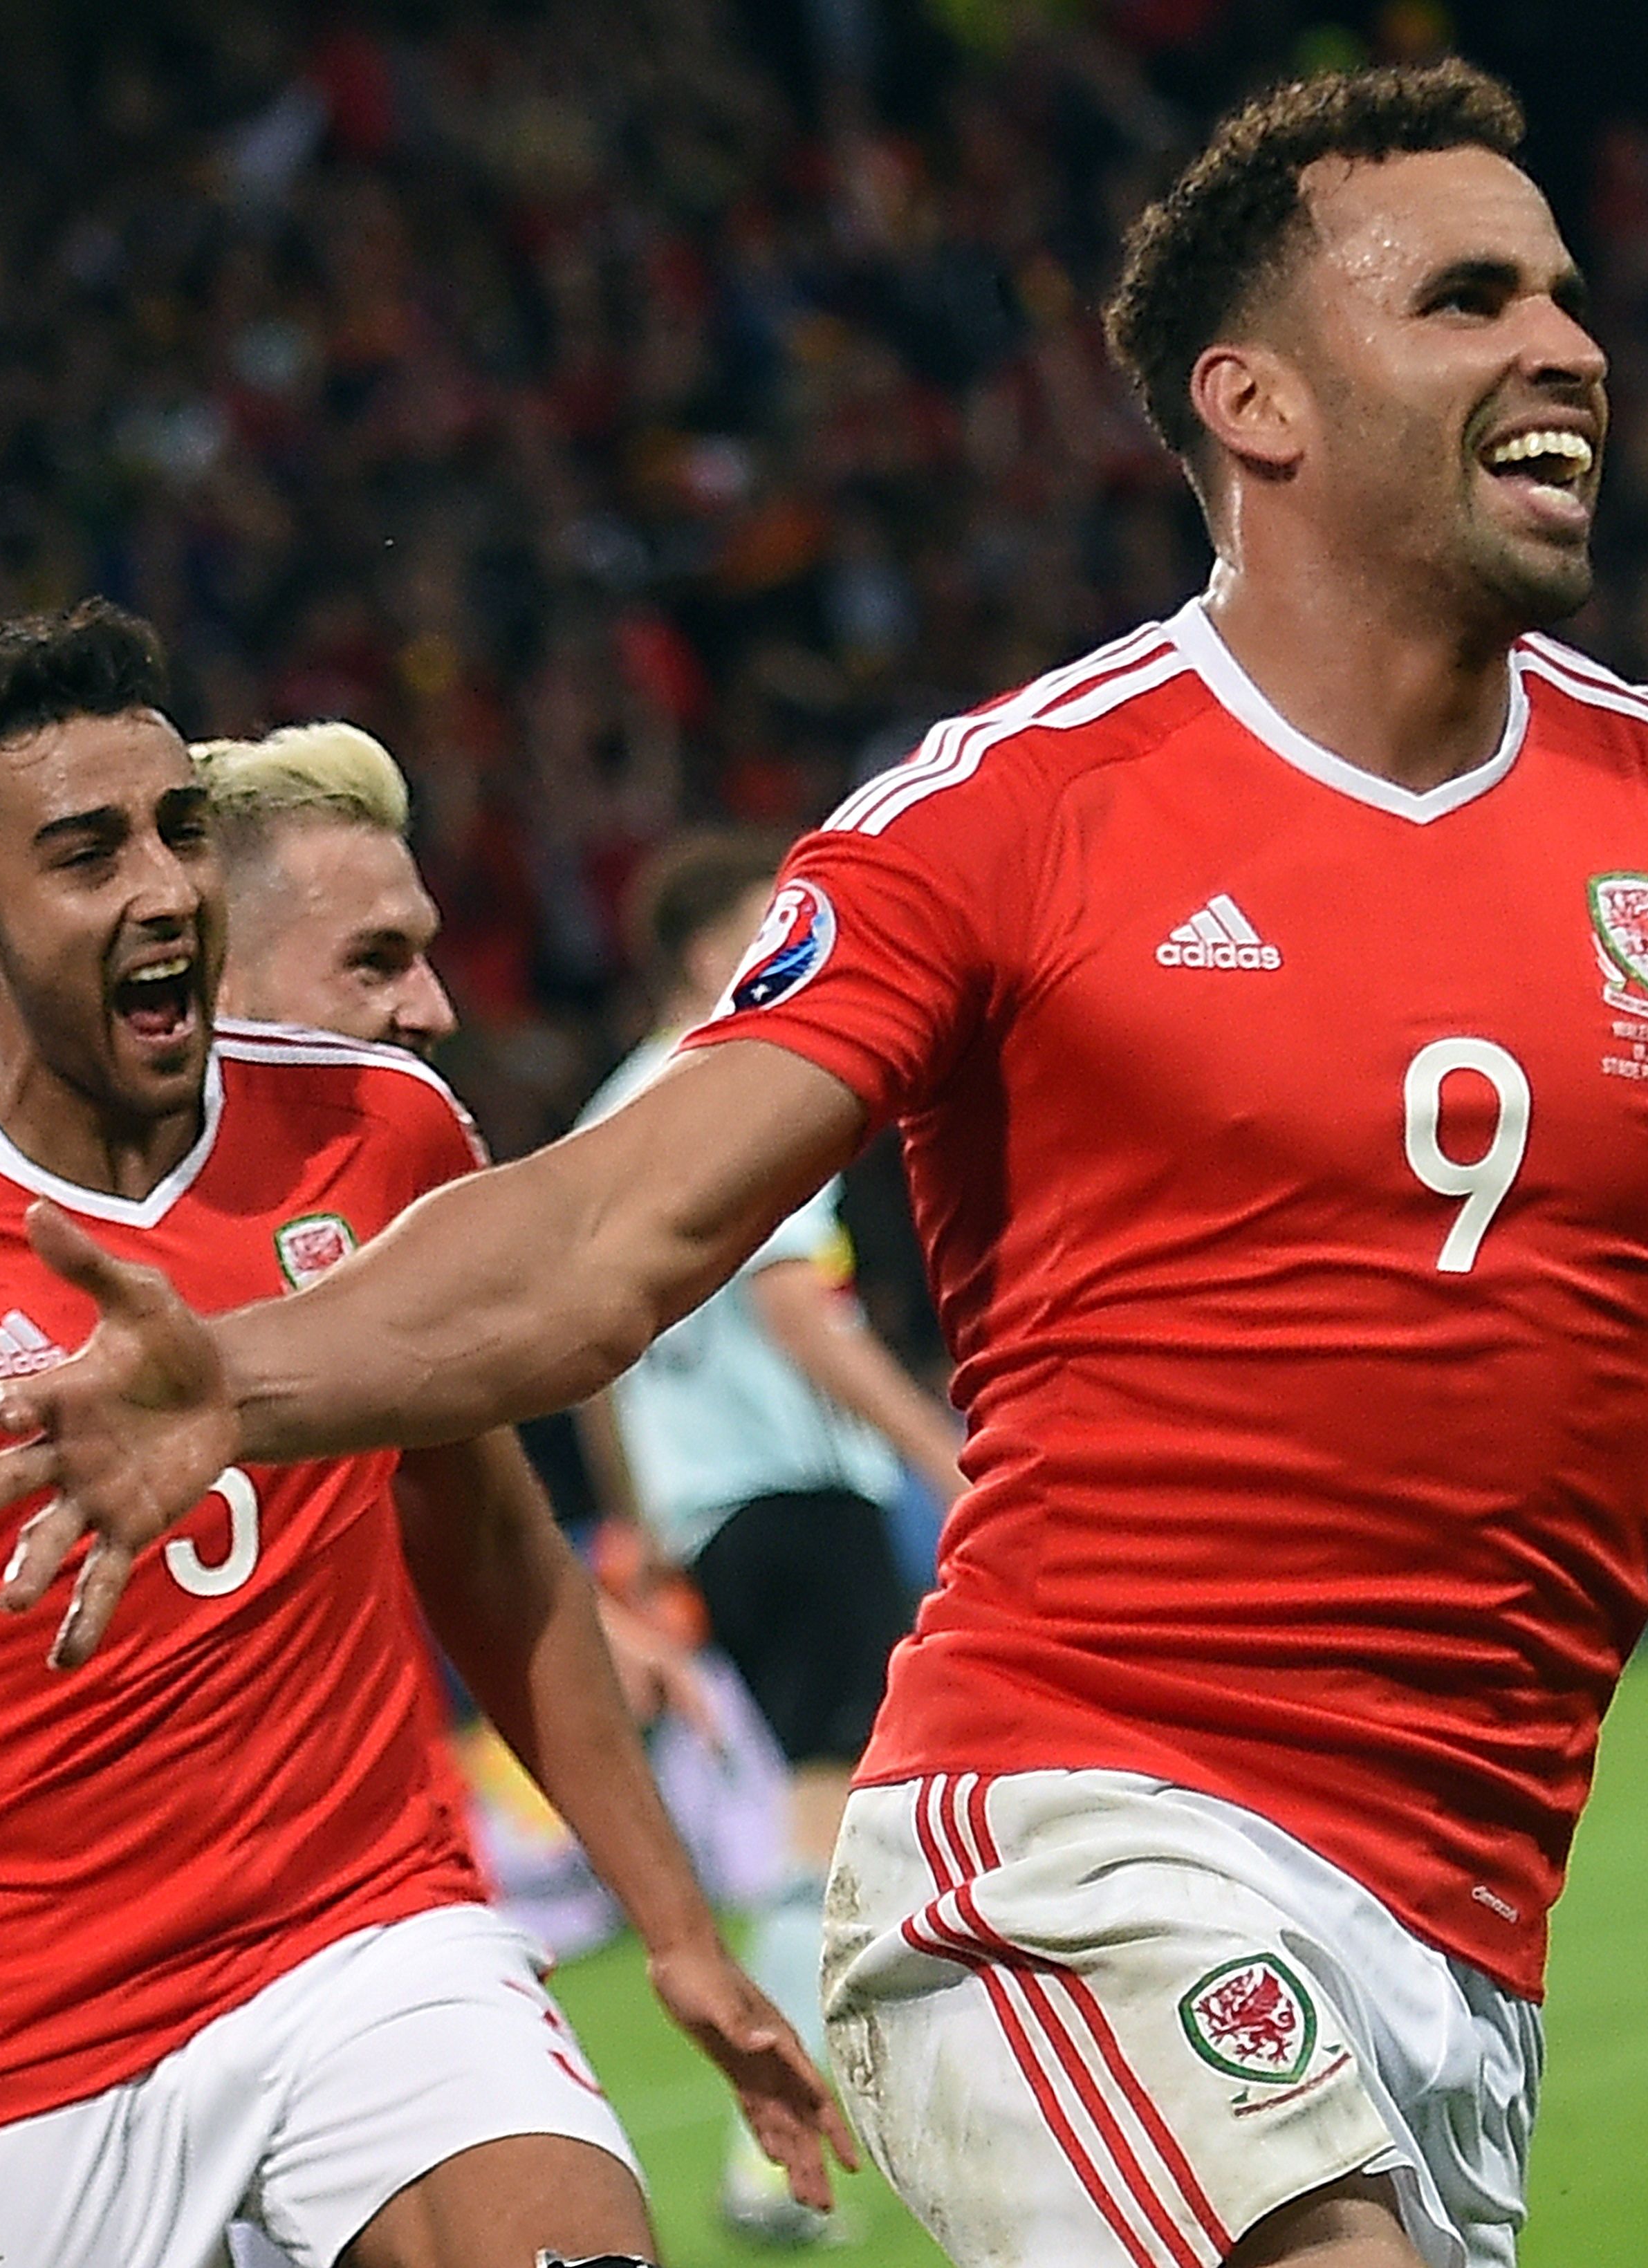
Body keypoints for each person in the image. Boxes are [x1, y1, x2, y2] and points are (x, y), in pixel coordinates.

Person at [0, 68, 1648, 2268]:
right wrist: (247, 1375)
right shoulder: (1017, 814)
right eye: (1461, 303)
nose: (1561, 346)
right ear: (1250, 406)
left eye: (1557, 295)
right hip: (1071, 1861)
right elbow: (615, 1229)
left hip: (1454, 1942)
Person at [0, 602, 848, 2268]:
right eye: (85, 852)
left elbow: (485, 1541)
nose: (162, 886)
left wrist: (679, 1931)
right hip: (21, 2049)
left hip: (370, 1944)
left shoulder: (380, 1131)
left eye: (179, 828)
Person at [575, 829, 969, 2245]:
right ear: (704, 954)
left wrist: (642, 1524)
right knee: (847, 1826)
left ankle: (843, 2108)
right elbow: (799, 1308)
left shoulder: (611, 1115)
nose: (793, 948)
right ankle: (774, 2148)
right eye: (767, 924)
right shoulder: (742, 1086)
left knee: (854, 1811)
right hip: (795, 1495)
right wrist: (944, 1452)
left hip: (709, 1508)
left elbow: (595, 1354)